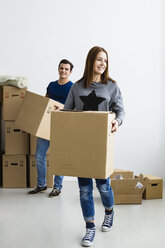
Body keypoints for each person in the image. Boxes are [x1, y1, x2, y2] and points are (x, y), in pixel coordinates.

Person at [64, 46, 125, 247]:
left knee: (103, 186)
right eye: (99, 59)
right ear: (91, 61)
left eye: (105, 61)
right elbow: (67, 112)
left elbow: (120, 110)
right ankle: (89, 227)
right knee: (84, 190)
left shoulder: (112, 86)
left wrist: (117, 121)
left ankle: (109, 212)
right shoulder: (77, 87)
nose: (102, 64)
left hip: (101, 145)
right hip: (81, 145)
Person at [29, 59, 74, 197]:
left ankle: (57, 187)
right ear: (58, 69)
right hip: (46, 124)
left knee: (59, 156)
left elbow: (74, 108)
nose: (63, 71)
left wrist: (61, 109)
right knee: (39, 155)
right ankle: (41, 184)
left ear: (70, 72)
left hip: (62, 126)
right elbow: (45, 101)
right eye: (61, 68)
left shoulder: (73, 88)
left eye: (66, 69)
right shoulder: (51, 85)